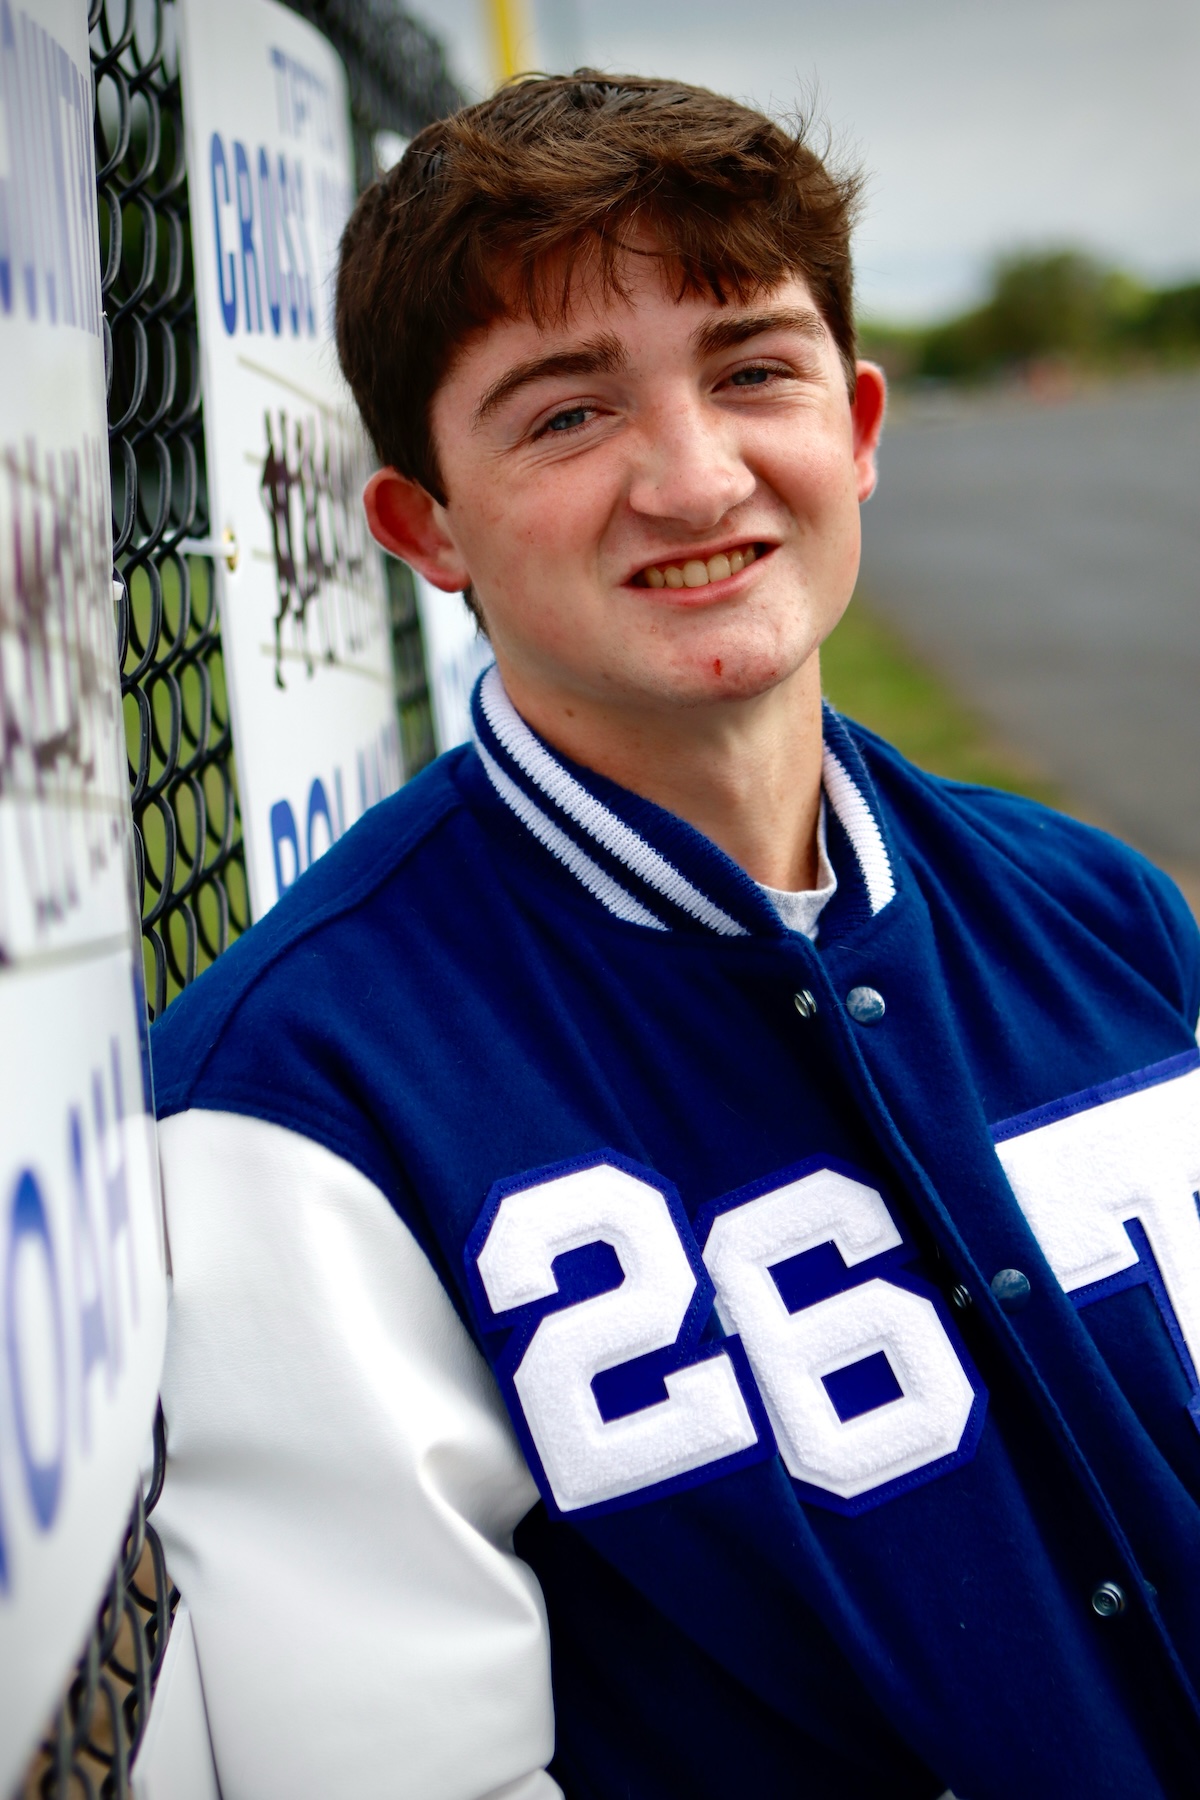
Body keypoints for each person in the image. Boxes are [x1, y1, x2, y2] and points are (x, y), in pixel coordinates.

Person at [150, 72, 1200, 1800]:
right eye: (565, 416)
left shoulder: (1100, 912)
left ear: (856, 424)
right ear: (425, 526)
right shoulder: (294, 1102)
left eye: (752, 370)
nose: (693, 476)